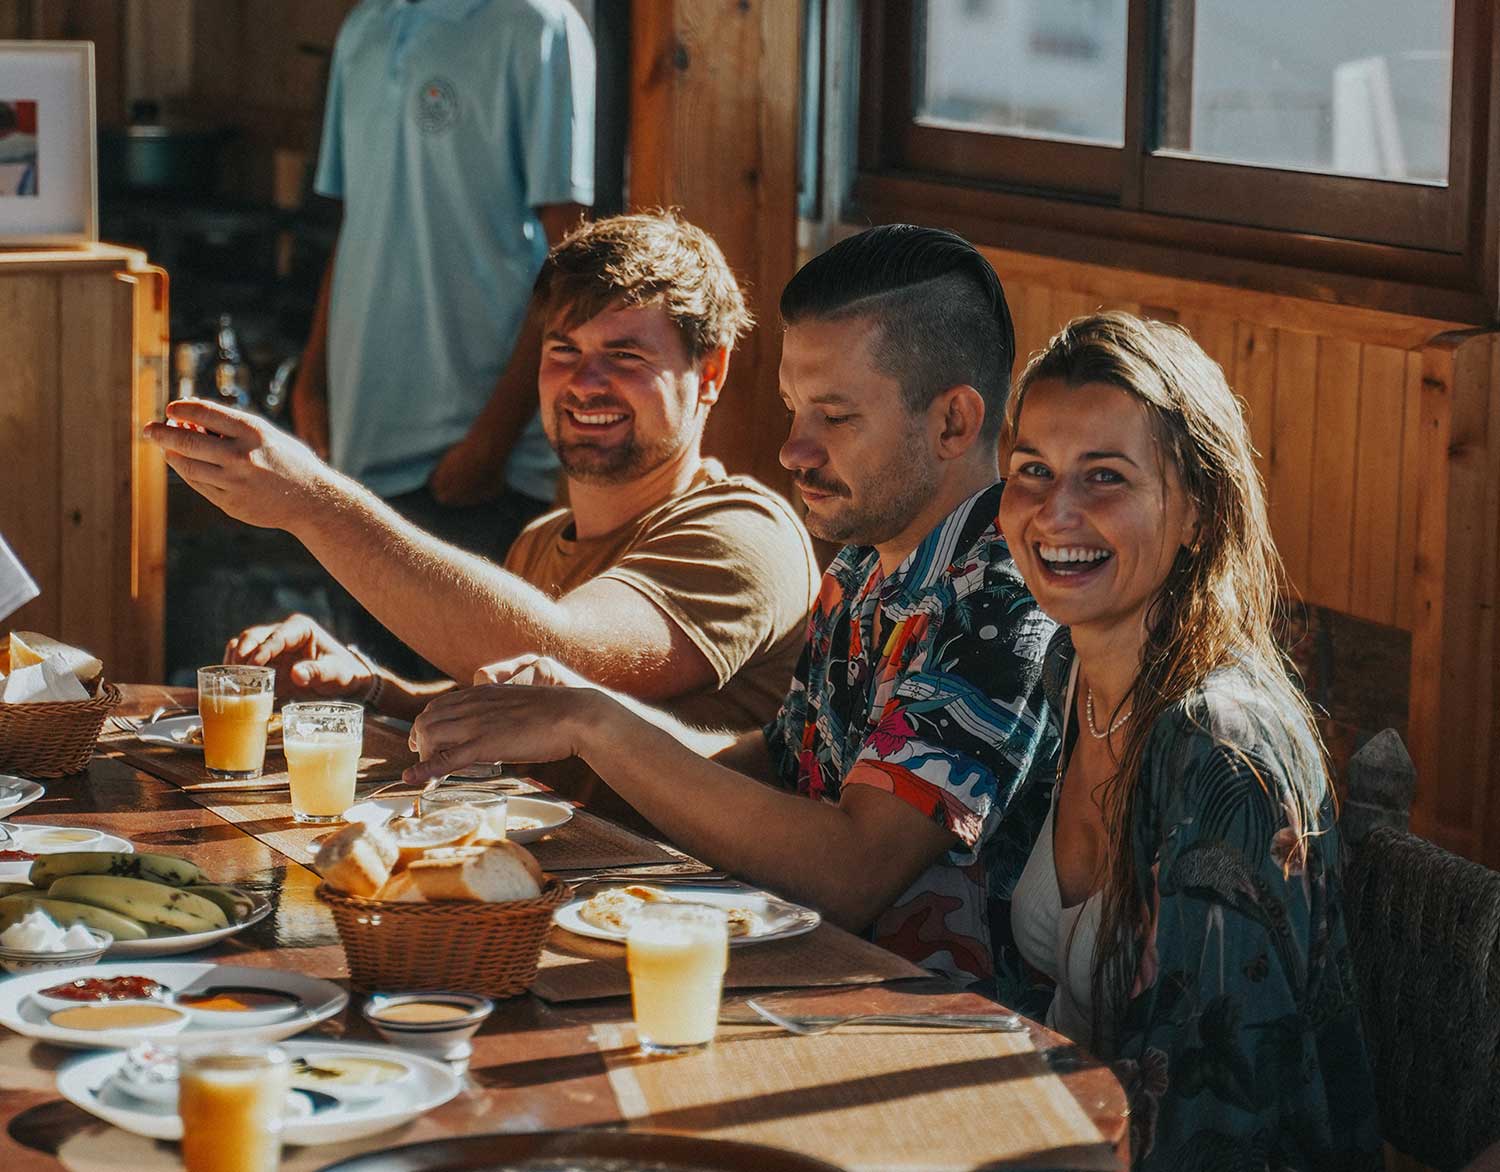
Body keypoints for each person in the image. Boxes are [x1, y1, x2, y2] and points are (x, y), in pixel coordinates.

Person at [404, 225, 1060, 999]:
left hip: (922, 1034)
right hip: (785, 987)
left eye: (834, 417)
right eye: (793, 410)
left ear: (952, 422)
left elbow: (852, 872)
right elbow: (778, 764)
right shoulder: (862, 563)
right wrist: (578, 708)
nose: (793, 450)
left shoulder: (1006, 595)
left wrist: (596, 726)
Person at [144, 213, 819, 740]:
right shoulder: (542, 542)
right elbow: (518, 704)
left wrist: (313, 501)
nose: (586, 383)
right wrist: (368, 689)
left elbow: (568, 661)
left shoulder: (743, 532)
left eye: (624, 356)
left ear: (710, 373)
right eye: (564, 349)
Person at [997, 312, 1380, 1169]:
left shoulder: (1222, 754)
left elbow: (1216, 1126)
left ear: (1199, 512)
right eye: (1033, 470)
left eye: (1105, 476)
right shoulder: (1065, 671)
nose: (1055, 510)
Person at [295, 0, 595, 670]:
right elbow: (359, 224)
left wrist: (492, 439)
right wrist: (312, 382)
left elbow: (571, 259)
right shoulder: (365, 27)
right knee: (368, 703)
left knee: (463, 716)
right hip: (359, 450)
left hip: (468, 465)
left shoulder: (539, 26)